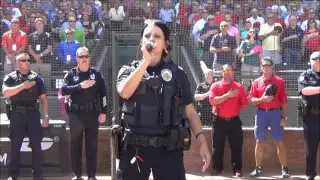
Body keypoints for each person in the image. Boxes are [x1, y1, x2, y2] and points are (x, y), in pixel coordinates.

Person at [116, 19, 211, 180]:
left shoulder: (178, 74)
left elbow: (191, 112)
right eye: (147, 36)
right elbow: (124, 92)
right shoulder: (128, 71)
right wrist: (145, 62)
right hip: (135, 148)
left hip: (169, 150)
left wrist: (202, 142)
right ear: (141, 43)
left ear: (166, 44)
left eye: (157, 36)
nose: (151, 39)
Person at [61, 46, 107, 180]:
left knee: (92, 147)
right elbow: (63, 90)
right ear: (77, 59)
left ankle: (92, 176)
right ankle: (77, 175)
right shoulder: (71, 74)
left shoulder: (96, 74)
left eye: (86, 56)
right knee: (75, 147)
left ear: (89, 58)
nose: (84, 59)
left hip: (92, 114)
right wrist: (81, 86)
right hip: (75, 115)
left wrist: (104, 111)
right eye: (81, 57)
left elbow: (103, 94)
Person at [2, 53, 49, 180]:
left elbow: (44, 98)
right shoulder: (10, 77)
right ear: (17, 62)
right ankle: (13, 174)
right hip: (17, 115)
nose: (27, 62)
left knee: (36, 146)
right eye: (24, 60)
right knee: (15, 146)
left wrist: (46, 116)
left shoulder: (36, 78)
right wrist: (23, 86)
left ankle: (38, 175)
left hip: (33, 115)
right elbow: (5, 92)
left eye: (29, 60)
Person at [249, 57, 290, 178]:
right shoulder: (256, 82)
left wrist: (284, 117)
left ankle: (285, 168)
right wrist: (262, 99)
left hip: (276, 114)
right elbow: (252, 100)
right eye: (264, 65)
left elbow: (284, 101)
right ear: (261, 67)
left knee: (279, 141)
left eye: (268, 65)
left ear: (272, 67)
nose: (266, 67)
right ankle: (258, 168)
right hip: (261, 114)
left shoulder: (280, 81)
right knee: (259, 141)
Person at [208, 64, 248, 177]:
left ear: (233, 72)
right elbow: (212, 101)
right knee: (217, 145)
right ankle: (217, 168)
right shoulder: (215, 86)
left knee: (236, 146)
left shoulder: (238, 87)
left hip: (234, 121)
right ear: (221, 72)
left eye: (230, 71)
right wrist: (227, 95)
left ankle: (237, 169)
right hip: (219, 120)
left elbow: (244, 103)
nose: (228, 73)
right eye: (225, 71)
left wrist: (235, 111)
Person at [298, 51, 320, 180]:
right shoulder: (305, 75)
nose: (317, 60)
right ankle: (310, 174)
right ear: (310, 61)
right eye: (314, 59)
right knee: (311, 148)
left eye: (319, 58)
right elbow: (304, 90)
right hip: (310, 117)